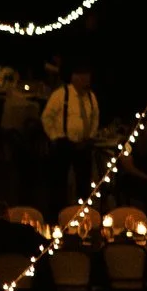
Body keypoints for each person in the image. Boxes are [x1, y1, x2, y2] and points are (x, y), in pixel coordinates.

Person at [40, 66, 100, 203]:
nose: (87, 81)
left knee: (84, 184)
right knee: (59, 183)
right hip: (64, 144)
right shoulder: (61, 94)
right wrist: (55, 136)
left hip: (84, 145)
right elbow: (46, 117)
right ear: (75, 78)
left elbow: (95, 117)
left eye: (88, 78)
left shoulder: (91, 97)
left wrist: (90, 135)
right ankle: (58, 214)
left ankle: (82, 213)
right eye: (83, 77)